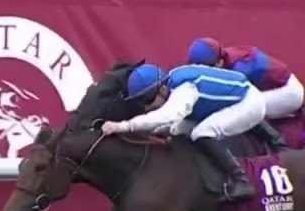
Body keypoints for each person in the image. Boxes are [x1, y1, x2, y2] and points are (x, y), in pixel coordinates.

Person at [102, 62, 267, 202]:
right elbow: (171, 122)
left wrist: (122, 126)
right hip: (229, 101)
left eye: (147, 100)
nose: (146, 107)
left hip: (249, 103)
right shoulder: (171, 81)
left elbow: (168, 115)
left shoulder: (185, 89)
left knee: (202, 133)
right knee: (174, 130)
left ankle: (241, 181)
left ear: (162, 90)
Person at [188, 37, 299, 151]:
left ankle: (279, 144)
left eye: (207, 68)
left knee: (246, 106)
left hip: (288, 93)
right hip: (271, 86)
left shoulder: (240, 69)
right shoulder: (220, 58)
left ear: (219, 61)